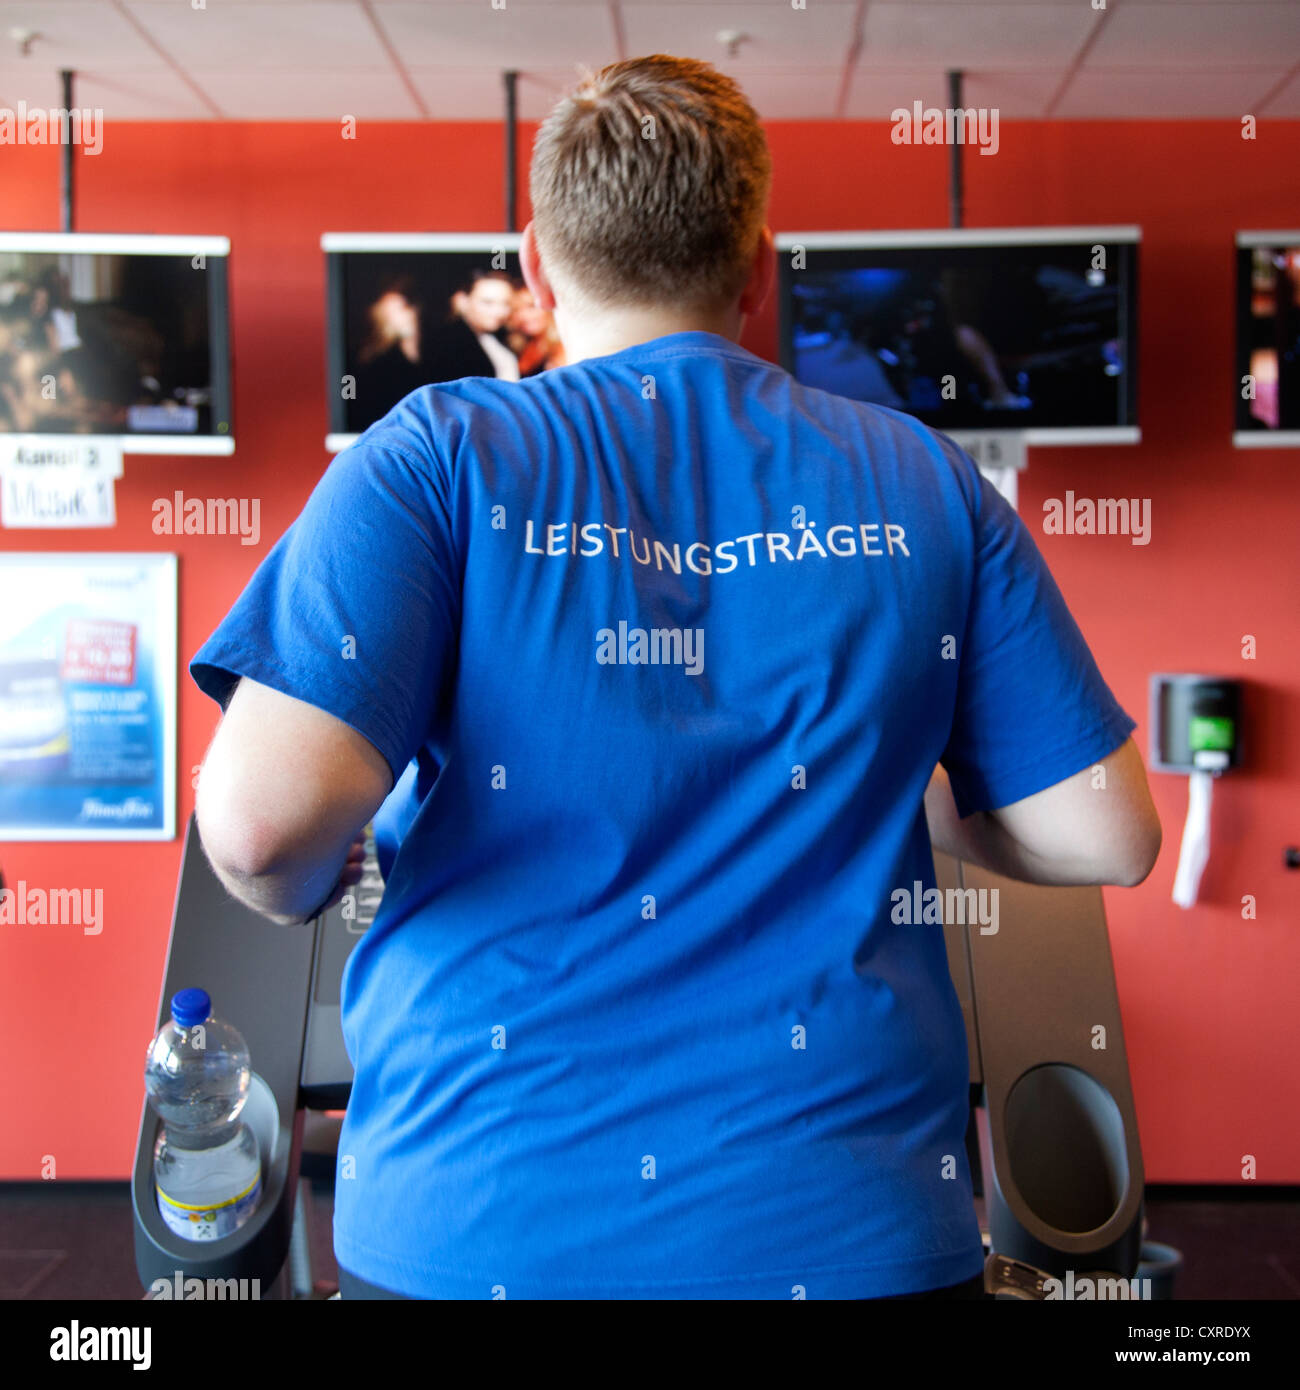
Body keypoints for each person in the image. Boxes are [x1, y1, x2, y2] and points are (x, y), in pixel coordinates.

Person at [189, 55, 1161, 1301]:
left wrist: (307, 884)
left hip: (479, 1228)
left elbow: (263, 828)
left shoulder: (433, 455)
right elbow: (1107, 830)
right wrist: (896, 798)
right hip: (847, 1235)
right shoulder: (922, 478)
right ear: (758, 264)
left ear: (536, 265)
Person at [423, 268, 520, 382]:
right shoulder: (449, 343)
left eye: (505, 303)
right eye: (488, 302)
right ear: (463, 301)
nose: (499, 311)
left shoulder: (500, 337)